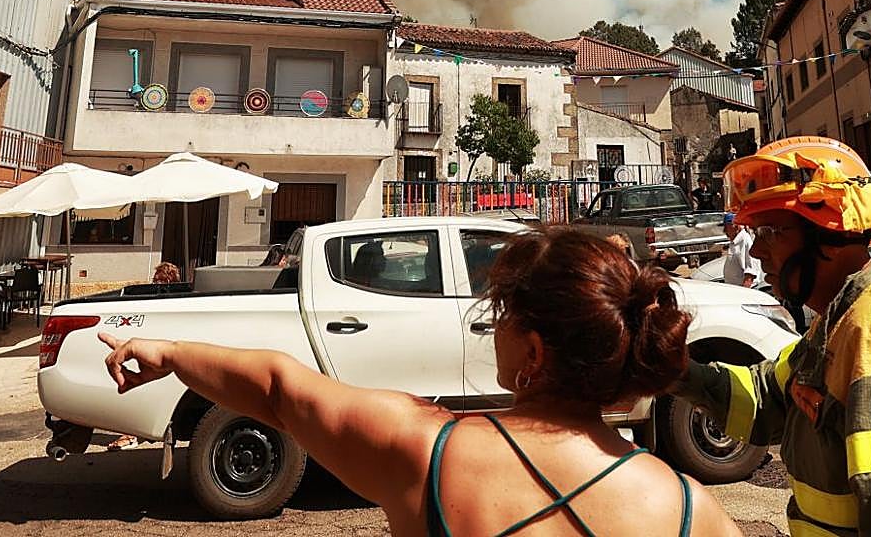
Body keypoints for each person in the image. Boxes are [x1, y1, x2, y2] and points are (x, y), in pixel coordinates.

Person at [99, 227, 742, 536]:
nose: (494, 326)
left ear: (534, 351)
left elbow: (279, 389)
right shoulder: (691, 510)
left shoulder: (428, 450)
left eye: (503, 314)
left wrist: (171, 352)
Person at [670, 136, 871, 536]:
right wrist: (673, 369)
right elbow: (767, 397)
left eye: (770, 231)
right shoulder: (839, 319)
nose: (756, 252)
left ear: (829, 233)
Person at [107, 262, 182, 451]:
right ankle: (132, 433)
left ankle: (132, 434)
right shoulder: (153, 299)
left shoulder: (173, 302)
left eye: (161, 280)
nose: (156, 283)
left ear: (170, 282)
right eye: (155, 280)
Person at [719, 213, 759, 289]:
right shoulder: (735, 241)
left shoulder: (745, 241)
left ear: (736, 226)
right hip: (734, 288)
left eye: (726, 227)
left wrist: (744, 290)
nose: (724, 231)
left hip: (744, 289)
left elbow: (750, 271)